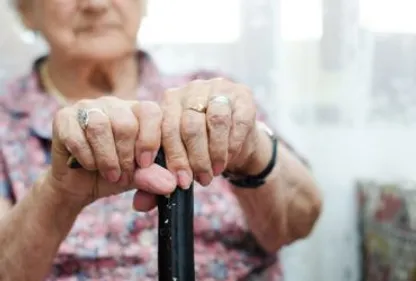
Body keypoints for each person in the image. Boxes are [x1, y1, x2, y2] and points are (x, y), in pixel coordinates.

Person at [0, 0, 322, 280]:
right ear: (26, 10)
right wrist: (57, 195)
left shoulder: (212, 96)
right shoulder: (5, 122)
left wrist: (252, 151)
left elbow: (299, 222)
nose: (96, 4)